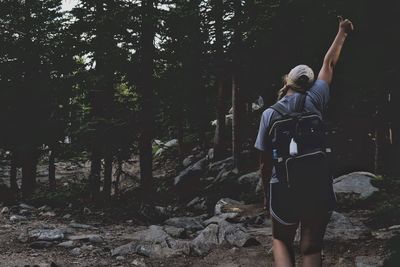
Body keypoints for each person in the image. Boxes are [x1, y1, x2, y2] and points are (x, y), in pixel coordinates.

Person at [254, 17, 354, 267]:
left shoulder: (269, 114)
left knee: (280, 239)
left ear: (287, 81)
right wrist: (342, 32)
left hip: (284, 188)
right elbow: (329, 62)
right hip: (318, 185)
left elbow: (265, 163)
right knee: (311, 248)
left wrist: (267, 196)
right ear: (309, 84)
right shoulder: (317, 99)